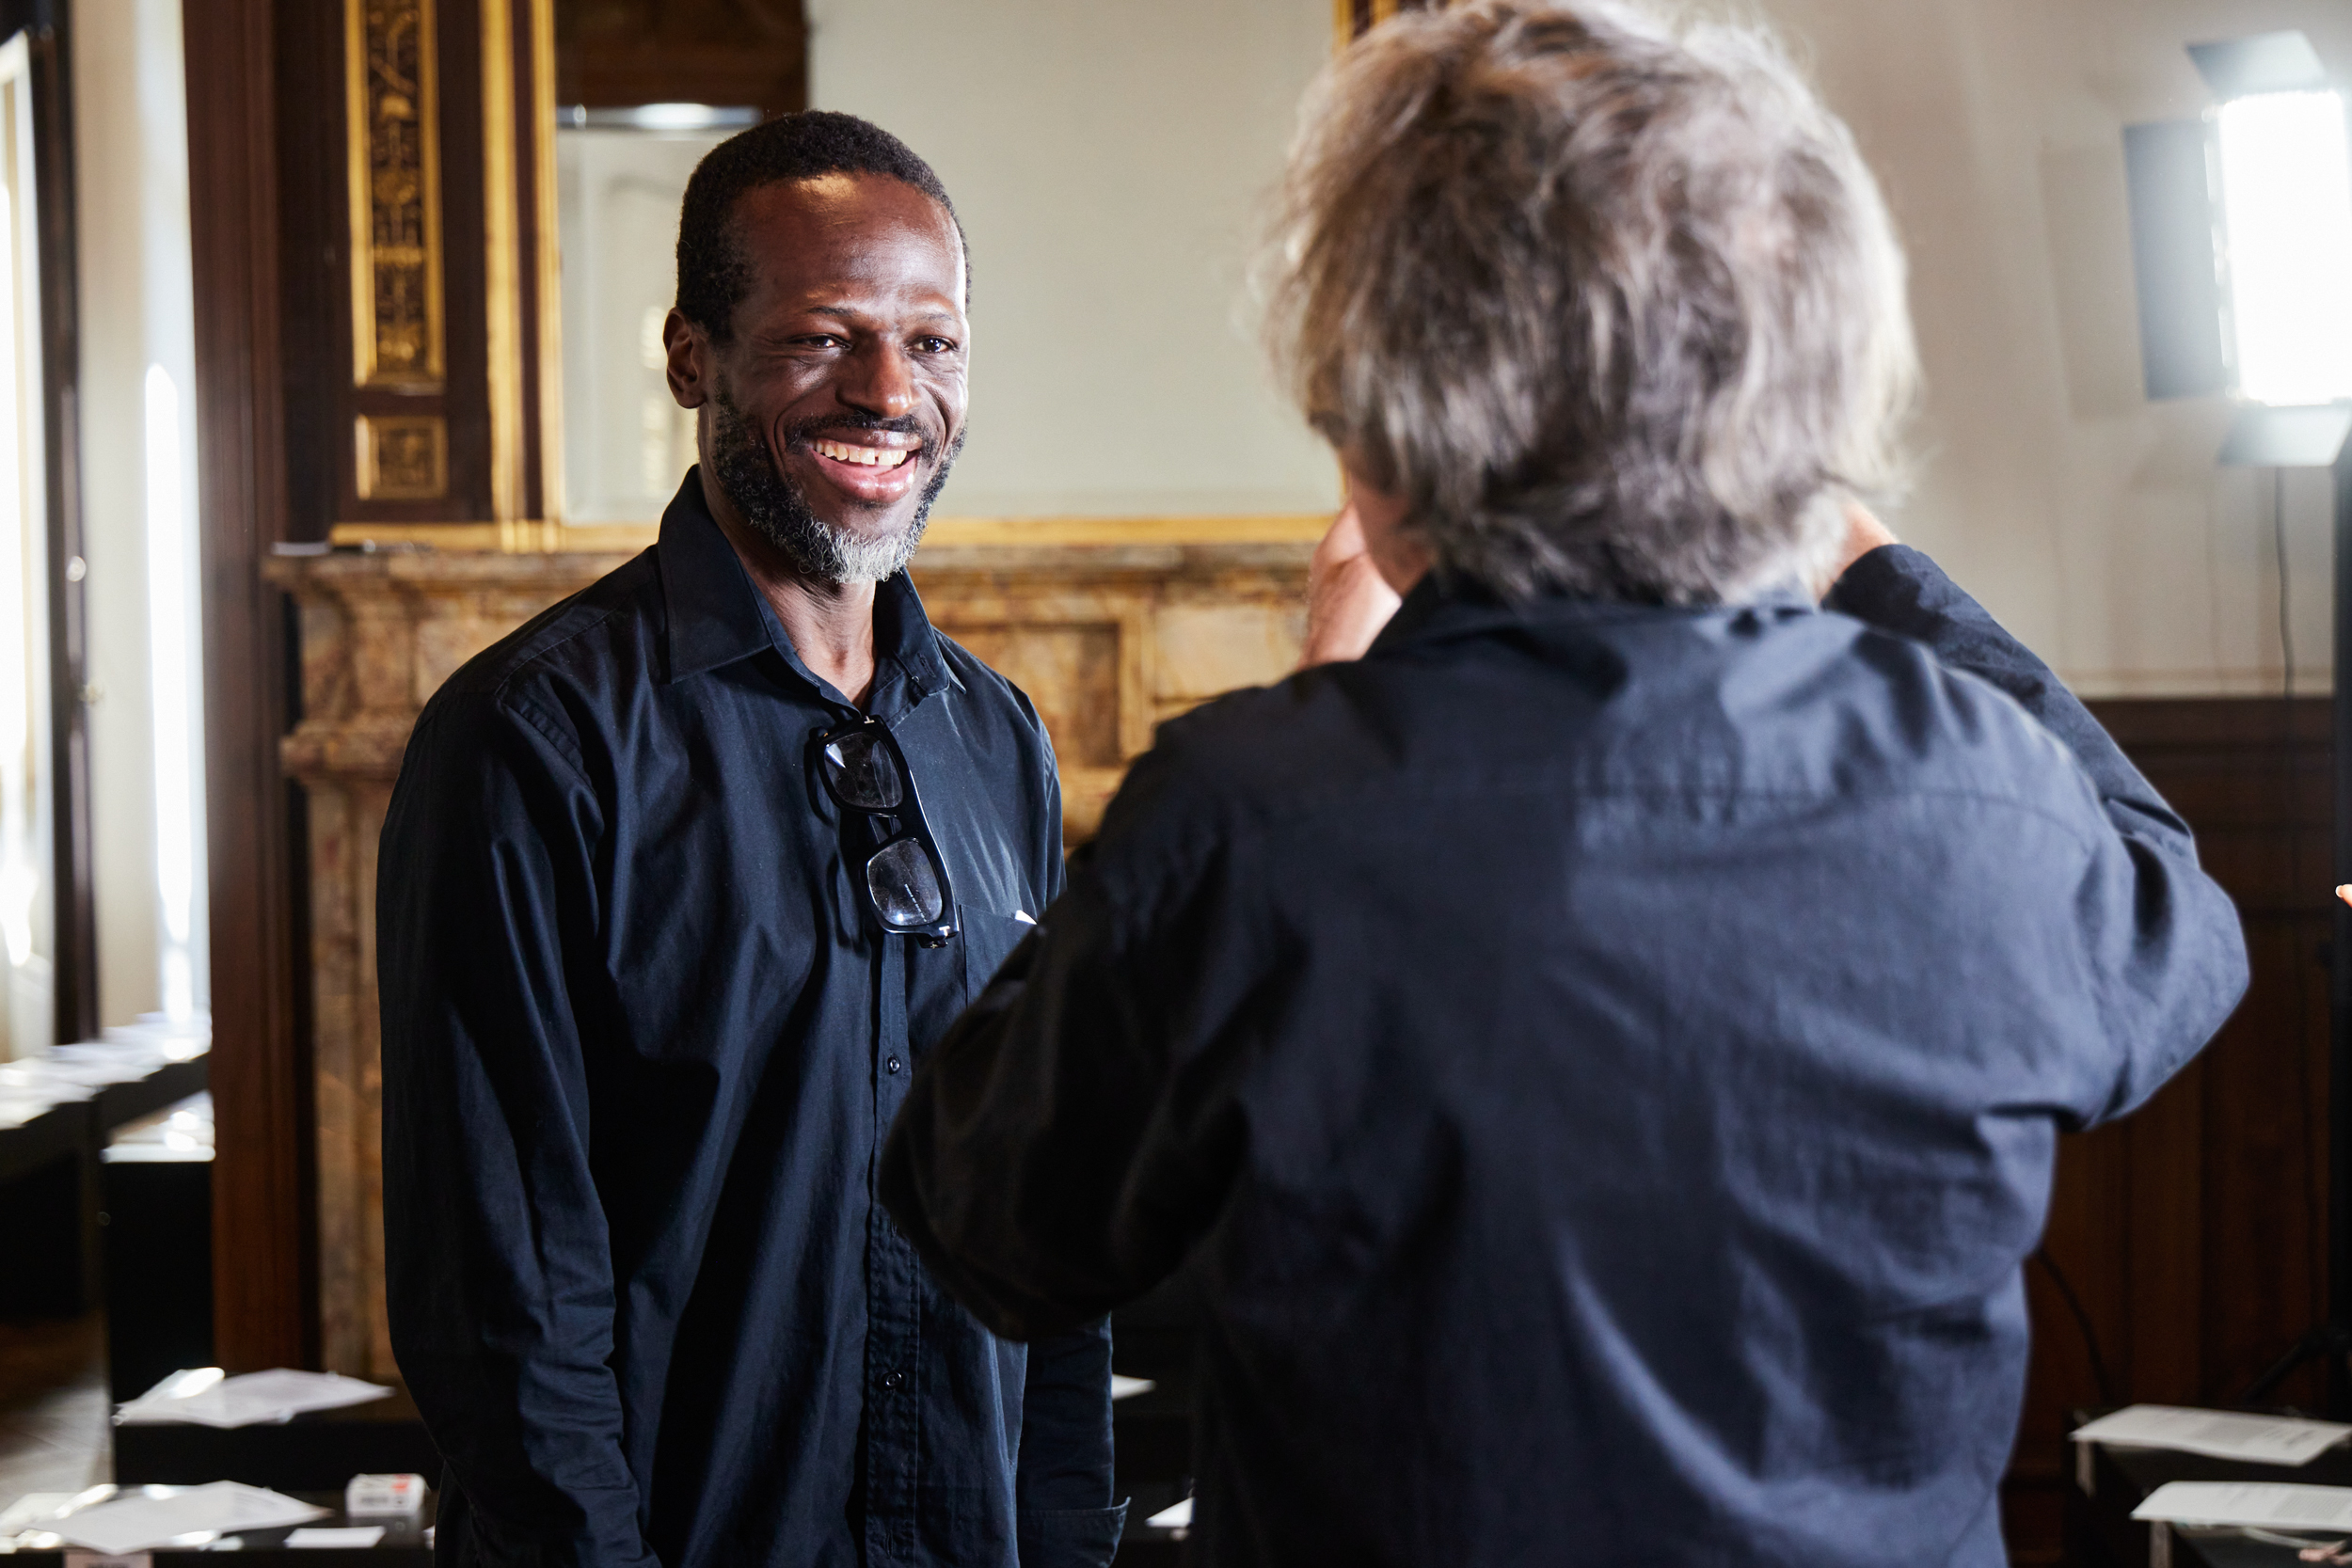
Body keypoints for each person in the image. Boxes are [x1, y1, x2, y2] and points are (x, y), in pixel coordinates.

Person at [877, 5, 2249, 1565]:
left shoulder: (1258, 815)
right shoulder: (1985, 802)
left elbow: (985, 1211)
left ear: (1383, 413)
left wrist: (1323, 700)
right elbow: (2176, 918)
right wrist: (1865, 557)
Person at [378, 112, 1122, 1568]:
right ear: (691, 357)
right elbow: (508, 1303)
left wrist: (1070, 1542)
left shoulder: (999, 743)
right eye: (823, 338)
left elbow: (1051, 1221)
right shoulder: (531, 742)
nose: (889, 391)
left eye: (935, 343)